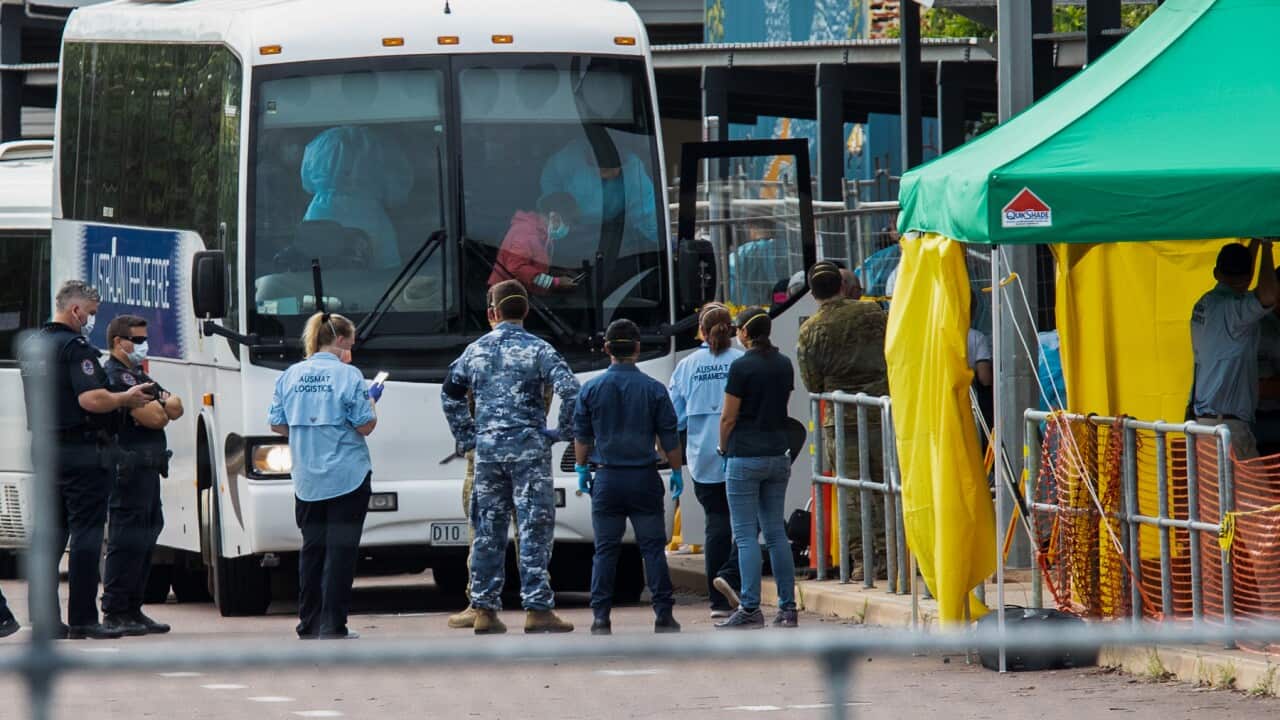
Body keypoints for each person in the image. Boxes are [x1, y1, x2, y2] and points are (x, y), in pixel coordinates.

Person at [441, 280, 580, 635]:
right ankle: (537, 608)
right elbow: (571, 392)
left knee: (487, 529)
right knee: (534, 528)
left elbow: (451, 393)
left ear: (493, 312)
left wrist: (468, 436)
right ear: (527, 311)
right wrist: (559, 433)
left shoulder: (475, 351)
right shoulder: (540, 350)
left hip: (488, 455)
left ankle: (485, 609)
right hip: (529, 452)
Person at [19, 280, 155, 640]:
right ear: (76, 310)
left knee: (49, 535)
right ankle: (82, 618)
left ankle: (45, 620)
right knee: (86, 534)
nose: (92, 320)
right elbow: (91, 399)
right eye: (92, 313)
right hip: (80, 451)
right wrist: (125, 398)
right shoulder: (75, 348)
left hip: (45, 447)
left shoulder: (33, 344)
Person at [268, 312, 380, 640]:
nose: (352, 350)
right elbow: (365, 425)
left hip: (307, 477)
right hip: (347, 475)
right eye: (352, 343)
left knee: (312, 551)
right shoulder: (349, 376)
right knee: (341, 552)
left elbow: (277, 423)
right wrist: (372, 402)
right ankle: (334, 624)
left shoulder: (290, 375)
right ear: (341, 340)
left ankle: (308, 622)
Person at [574, 319, 683, 636]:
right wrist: (675, 472)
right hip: (644, 478)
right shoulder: (654, 389)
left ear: (607, 348)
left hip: (607, 478)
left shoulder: (591, 389)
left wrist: (582, 468)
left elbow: (582, 436)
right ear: (637, 348)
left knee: (605, 551)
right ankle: (664, 615)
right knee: (652, 549)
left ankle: (600, 617)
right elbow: (670, 438)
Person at [796, 261, 889, 580]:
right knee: (886, 488)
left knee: (851, 493)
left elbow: (812, 383)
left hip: (841, 419)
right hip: (881, 412)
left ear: (812, 292)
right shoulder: (873, 313)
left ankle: (863, 561)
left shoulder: (811, 328)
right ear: (842, 285)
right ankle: (893, 557)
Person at [716, 307, 798, 630]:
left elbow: (728, 417)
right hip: (778, 454)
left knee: (746, 534)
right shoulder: (784, 364)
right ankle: (787, 608)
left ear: (745, 334)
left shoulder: (740, 367)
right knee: (776, 532)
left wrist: (723, 447)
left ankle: (750, 607)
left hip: (744, 456)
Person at [100, 315, 182, 635]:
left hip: (148, 470)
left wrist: (161, 404)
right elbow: (156, 418)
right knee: (126, 540)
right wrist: (160, 405)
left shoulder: (137, 375)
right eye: (137, 339)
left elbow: (176, 407)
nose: (143, 345)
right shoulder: (116, 376)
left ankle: (134, 609)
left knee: (147, 537)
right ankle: (115, 609)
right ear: (119, 342)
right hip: (129, 471)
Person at [668, 303, 744, 617]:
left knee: (716, 524)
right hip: (740, 451)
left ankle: (717, 601)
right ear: (733, 329)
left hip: (703, 457)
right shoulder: (741, 361)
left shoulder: (687, 366)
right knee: (745, 523)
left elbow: (676, 416)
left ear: (700, 331)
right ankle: (733, 579)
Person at [1191, 239, 1279, 460]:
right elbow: (1268, 296)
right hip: (1228, 429)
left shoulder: (1208, 303)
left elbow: (1242, 286)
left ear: (1216, 272)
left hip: (1208, 425)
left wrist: (1256, 242)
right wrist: (1267, 248)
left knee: (1221, 495)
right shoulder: (1234, 311)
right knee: (1257, 496)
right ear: (1246, 278)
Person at [302, 125, 413, 270]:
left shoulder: (324, 143)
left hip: (322, 211)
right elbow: (397, 190)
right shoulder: (376, 145)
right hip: (370, 216)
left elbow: (308, 183)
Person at [540, 135, 658, 250]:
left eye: (609, 169)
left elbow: (647, 217)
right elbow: (550, 188)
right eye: (597, 166)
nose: (603, 174)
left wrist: (664, 242)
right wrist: (558, 219)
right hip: (572, 234)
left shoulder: (634, 175)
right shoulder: (569, 157)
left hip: (615, 235)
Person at [487, 192, 582, 295]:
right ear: (555, 218)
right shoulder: (526, 233)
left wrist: (556, 274)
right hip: (506, 299)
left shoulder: (543, 233)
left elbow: (533, 265)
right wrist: (554, 282)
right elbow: (516, 267)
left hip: (520, 294)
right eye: (567, 223)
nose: (568, 229)